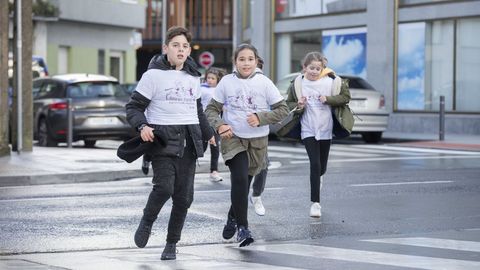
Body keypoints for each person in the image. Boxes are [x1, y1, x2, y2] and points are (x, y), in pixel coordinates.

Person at [125, 26, 215, 260]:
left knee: (184, 198)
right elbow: (134, 107)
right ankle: (147, 222)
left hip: (189, 141)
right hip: (162, 140)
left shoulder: (194, 76)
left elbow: (197, 110)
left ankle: (171, 243)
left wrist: (209, 133)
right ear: (166, 48)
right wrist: (143, 126)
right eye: (176, 45)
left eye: (185, 46)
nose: (181, 50)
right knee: (164, 187)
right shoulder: (152, 75)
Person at [205, 43, 289, 247]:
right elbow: (211, 110)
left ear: (256, 61)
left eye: (250, 59)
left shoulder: (264, 83)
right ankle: (243, 228)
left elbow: (283, 109)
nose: (246, 63)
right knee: (240, 179)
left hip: (258, 141)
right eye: (241, 59)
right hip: (233, 138)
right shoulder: (226, 82)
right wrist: (221, 125)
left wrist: (261, 117)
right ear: (235, 61)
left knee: (245, 184)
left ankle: (232, 216)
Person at [285, 51, 350, 218]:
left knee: (322, 167)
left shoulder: (332, 82)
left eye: (318, 68)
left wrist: (328, 99)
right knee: (314, 164)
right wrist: (299, 104)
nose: (314, 71)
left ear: (323, 69)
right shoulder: (298, 84)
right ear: (304, 67)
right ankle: (315, 203)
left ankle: (319, 177)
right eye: (311, 68)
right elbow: (288, 103)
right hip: (308, 129)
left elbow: (345, 97)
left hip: (326, 129)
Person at [200, 67, 227, 182]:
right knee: (201, 147)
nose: (210, 80)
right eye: (208, 78)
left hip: (215, 123)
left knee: (215, 147)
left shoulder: (220, 91)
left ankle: (214, 171)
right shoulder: (201, 89)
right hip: (202, 122)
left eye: (212, 78)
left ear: (218, 79)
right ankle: (188, 170)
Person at [249, 57, 267, 216]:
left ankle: (256, 195)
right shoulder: (232, 82)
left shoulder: (265, 83)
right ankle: (234, 217)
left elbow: (278, 108)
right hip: (238, 136)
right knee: (242, 172)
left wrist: (262, 118)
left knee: (263, 164)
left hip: (259, 133)